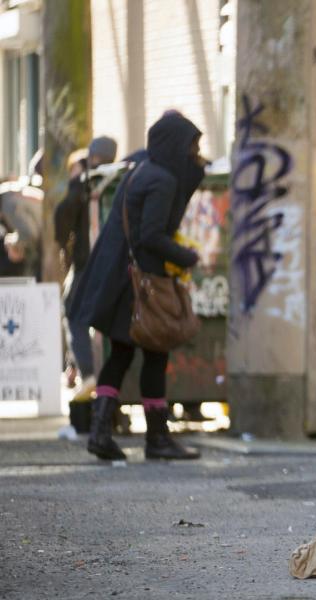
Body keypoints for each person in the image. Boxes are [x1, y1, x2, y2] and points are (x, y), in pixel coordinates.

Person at [68, 112, 206, 461]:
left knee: (122, 354)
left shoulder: (142, 170)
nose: (196, 153)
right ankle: (157, 437)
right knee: (155, 355)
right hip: (142, 284)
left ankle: (101, 431)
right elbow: (151, 236)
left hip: (120, 279)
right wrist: (186, 256)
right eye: (192, 146)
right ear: (176, 145)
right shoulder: (162, 180)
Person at [55, 137, 118, 399]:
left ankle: (90, 375)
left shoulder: (83, 184)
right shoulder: (121, 178)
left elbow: (62, 220)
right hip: (116, 264)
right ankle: (106, 381)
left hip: (87, 264)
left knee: (74, 314)